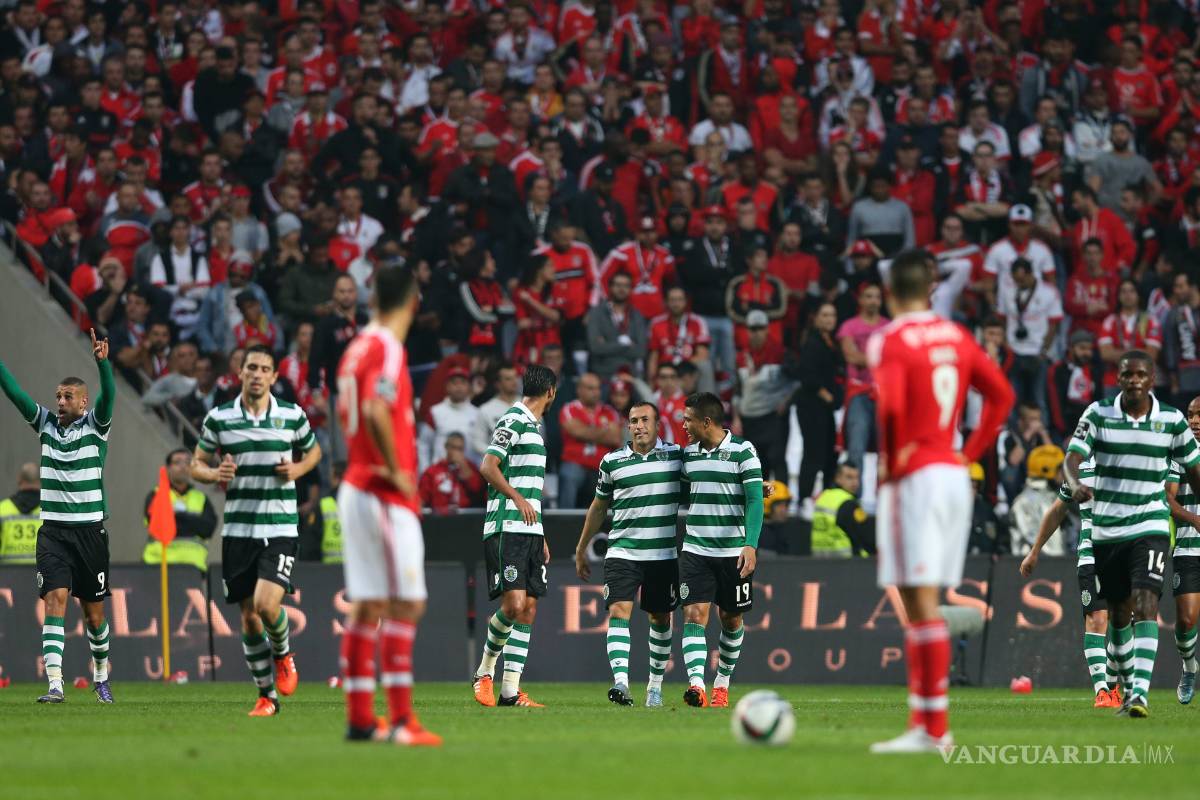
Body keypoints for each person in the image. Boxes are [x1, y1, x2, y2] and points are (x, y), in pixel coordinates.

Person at [868, 250, 1015, 753]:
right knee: (919, 599)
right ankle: (928, 727)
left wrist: (890, 465)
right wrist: (968, 456)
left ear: (890, 293)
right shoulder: (956, 335)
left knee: (921, 602)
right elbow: (1002, 397)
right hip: (951, 473)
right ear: (931, 291)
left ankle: (931, 730)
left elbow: (889, 408)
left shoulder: (889, 339)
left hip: (914, 477)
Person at [334, 265, 441, 746]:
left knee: (368, 605)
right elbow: (378, 409)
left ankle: (360, 719)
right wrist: (399, 469)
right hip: (382, 491)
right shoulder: (388, 348)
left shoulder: (354, 347)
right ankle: (402, 721)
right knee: (408, 602)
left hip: (355, 485)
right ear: (413, 302)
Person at [1065, 350, 1200, 718]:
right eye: (1128, 375)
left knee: (1146, 605)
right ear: (1119, 378)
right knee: (1119, 614)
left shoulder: (1172, 421)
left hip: (1151, 524)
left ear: (1152, 379)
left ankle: (1139, 693)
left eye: (1141, 374)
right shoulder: (1097, 413)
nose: (1134, 380)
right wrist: (1074, 482)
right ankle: (1125, 689)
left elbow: (1193, 470)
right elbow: (1072, 456)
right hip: (1108, 530)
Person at [191, 344, 322, 717]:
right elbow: (196, 464)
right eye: (251, 367)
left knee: (267, 605)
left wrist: (298, 470)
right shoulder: (220, 418)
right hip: (238, 529)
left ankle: (282, 653)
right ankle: (267, 696)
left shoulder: (292, 416)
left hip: (279, 525)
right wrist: (215, 474)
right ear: (241, 372)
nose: (257, 374)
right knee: (248, 615)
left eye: (264, 368)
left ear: (274, 377)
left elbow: (313, 453)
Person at [0, 330, 117, 704]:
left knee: (94, 616)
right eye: (57, 397)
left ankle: (100, 676)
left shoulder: (96, 429)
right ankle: (55, 683)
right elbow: (16, 395)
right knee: (55, 598)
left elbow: (110, 396)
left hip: (90, 534)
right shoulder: (46, 426)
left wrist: (103, 365)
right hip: (53, 533)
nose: (60, 402)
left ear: (83, 402)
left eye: (67, 397)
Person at [575, 402, 681, 707]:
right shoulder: (612, 462)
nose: (639, 426)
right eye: (633, 421)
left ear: (658, 425)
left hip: (662, 554)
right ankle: (621, 682)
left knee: (660, 617)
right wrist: (582, 547)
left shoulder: (676, 457)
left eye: (645, 420)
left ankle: (654, 687)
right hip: (623, 551)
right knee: (619, 611)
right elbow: (598, 508)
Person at [471, 364, 557, 709]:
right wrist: (516, 498)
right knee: (514, 605)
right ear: (550, 392)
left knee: (529, 608)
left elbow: (529, 487)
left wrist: (540, 532)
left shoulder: (534, 426)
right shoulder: (513, 420)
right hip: (506, 526)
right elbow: (488, 466)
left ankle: (510, 692)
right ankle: (483, 672)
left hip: (529, 530)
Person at [678, 391, 764, 709]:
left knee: (731, 618)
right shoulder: (688, 456)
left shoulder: (743, 452)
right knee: (694, 614)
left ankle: (722, 684)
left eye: (688, 419)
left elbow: (755, 500)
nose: (684, 425)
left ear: (707, 421)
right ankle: (697, 686)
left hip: (733, 552)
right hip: (696, 548)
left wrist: (750, 545)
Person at [1021, 457, 1123, 708]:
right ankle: (1102, 691)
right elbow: (1057, 509)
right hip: (1092, 553)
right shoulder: (1080, 468)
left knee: (1122, 622)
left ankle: (1114, 684)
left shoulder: (1129, 458)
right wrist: (1035, 551)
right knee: (1096, 618)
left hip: (1127, 553)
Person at [1166, 396, 1200, 705]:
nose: (1195, 421)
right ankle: (1189, 666)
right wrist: (1194, 519)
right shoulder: (1179, 455)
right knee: (1187, 620)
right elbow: (1169, 500)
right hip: (1190, 548)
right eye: (1191, 414)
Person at [792, 302, 844, 502]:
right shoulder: (812, 342)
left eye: (832, 315)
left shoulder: (831, 341)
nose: (829, 319)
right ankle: (804, 498)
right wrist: (827, 395)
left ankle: (827, 497)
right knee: (813, 453)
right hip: (811, 405)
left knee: (830, 453)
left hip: (825, 408)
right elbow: (807, 375)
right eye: (825, 315)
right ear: (816, 318)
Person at [838, 283, 888, 470]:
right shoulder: (849, 326)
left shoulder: (889, 326)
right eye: (868, 296)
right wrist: (880, 359)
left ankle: (885, 496)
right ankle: (853, 497)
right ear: (860, 300)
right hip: (859, 393)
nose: (873, 300)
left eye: (877, 296)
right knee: (856, 447)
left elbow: (895, 359)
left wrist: (865, 358)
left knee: (886, 450)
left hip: (885, 394)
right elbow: (851, 356)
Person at [140, 449, 216, 572]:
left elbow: (208, 529)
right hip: (158, 566)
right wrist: (193, 522)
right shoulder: (156, 494)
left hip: (193, 569)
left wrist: (176, 517)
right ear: (168, 468)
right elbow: (159, 524)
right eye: (177, 462)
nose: (183, 466)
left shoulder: (201, 498)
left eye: (187, 462)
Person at [558, 372, 624, 508]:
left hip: (602, 467)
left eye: (598, 388)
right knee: (568, 474)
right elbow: (576, 431)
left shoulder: (609, 411)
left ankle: (609, 527)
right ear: (579, 390)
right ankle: (563, 525)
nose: (596, 392)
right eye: (590, 388)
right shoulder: (570, 409)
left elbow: (615, 437)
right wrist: (604, 431)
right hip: (576, 463)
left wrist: (586, 431)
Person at [586, 271, 648, 382]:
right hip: (603, 376)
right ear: (610, 287)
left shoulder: (636, 315)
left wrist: (607, 344)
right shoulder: (596, 313)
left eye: (626, 286)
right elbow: (596, 348)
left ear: (631, 289)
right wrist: (626, 345)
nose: (621, 289)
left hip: (630, 376)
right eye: (618, 285)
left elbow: (641, 350)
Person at [418, 366, 482, 470]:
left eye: (462, 382)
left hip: (469, 476)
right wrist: (424, 472)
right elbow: (424, 446)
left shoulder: (478, 414)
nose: (458, 387)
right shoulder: (435, 412)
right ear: (447, 386)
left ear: (469, 387)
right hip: (440, 475)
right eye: (454, 383)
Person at [1008, 445, 1066, 555]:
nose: (1063, 474)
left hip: (1057, 566)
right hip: (1036, 569)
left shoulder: (1053, 497)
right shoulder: (1025, 502)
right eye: (1060, 469)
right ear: (1046, 469)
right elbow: (1034, 542)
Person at [811, 463, 874, 557]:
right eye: (849, 477)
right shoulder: (848, 504)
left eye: (857, 478)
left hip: (819, 561)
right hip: (846, 564)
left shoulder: (823, 498)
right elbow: (867, 536)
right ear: (838, 478)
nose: (855, 482)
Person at [419, 433, 486, 514]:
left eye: (460, 449)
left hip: (465, 517)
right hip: (440, 518)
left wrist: (462, 465)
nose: (456, 452)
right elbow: (422, 498)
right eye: (454, 448)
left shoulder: (470, 467)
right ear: (446, 447)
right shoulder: (433, 471)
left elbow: (477, 489)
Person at [0, 463, 40, 565]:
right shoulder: (50, 510)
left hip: (7, 576)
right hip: (42, 577)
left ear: (19, 480)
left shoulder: (2, 509)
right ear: (40, 481)